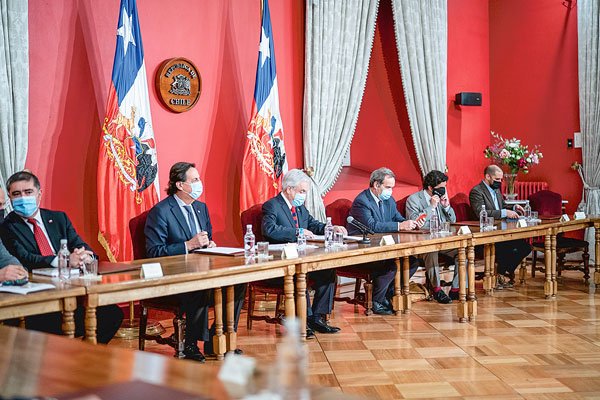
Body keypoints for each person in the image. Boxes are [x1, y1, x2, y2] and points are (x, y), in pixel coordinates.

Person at [0, 171, 122, 343]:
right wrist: (64, 261)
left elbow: (81, 245)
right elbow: (25, 258)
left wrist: (85, 256)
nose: (23, 198)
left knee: (112, 315)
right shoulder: (6, 226)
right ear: (10, 199)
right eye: (16, 194)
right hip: (39, 299)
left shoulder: (58, 218)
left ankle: (84, 359)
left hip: (71, 290)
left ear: (39, 194)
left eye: (28, 192)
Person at [145, 162, 245, 361]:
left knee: (238, 282)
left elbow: (205, 239)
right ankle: (191, 344)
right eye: (195, 180)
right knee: (200, 287)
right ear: (180, 185)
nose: (200, 184)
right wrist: (187, 245)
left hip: (202, 267)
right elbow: (153, 252)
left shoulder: (201, 208)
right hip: (175, 275)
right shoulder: (161, 211)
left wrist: (210, 245)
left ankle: (217, 339)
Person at [262, 169, 345, 336]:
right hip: (282, 261)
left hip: (303, 257)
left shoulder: (299, 208)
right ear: (289, 189)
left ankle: (318, 318)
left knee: (328, 272)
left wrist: (330, 228)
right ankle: (303, 320)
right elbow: (269, 230)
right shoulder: (272, 205)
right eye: (302, 191)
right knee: (299, 276)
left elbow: (313, 225)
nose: (304, 196)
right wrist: (298, 232)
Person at [348, 167, 423, 315]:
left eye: (392, 188)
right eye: (388, 187)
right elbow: (371, 226)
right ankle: (376, 301)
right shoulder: (362, 201)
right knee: (390, 266)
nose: (391, 191)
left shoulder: (389, 200)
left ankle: (387, 295)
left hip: (384, 246)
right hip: (362, 249)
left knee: (413, 262)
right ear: (376, 185)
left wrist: (411, 224)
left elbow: (397, 219)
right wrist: (399, 226)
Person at [469, 165, 531, 288]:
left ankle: (501, 272)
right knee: (507, 248)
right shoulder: (476, 191)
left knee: (525, 247)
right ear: (487, 176)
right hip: (487, 233)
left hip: (501, 230)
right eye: (497, 179)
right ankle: (501, 274)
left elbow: (502, 206)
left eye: (501, 180)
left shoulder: (496, 190)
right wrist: (505, 213)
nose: (499, 182)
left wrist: (513, 207)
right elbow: (481, 213)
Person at [406, 170, 461, 303]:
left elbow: (453, 221)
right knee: (432, 251)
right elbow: (416, 224)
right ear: (430, 188)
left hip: (443, 240)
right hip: (423, 244)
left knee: (463, 252)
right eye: (441, 188)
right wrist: (431, 207)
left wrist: (447, 207)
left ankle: (455, 289)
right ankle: (437, 290)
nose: (443, 190)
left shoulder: (442, 199)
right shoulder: (413, 200)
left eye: (444, 187)